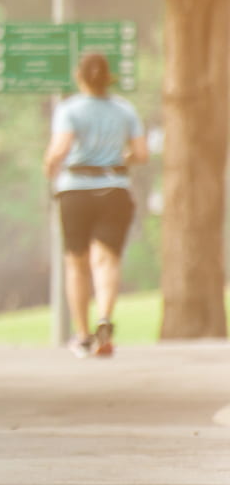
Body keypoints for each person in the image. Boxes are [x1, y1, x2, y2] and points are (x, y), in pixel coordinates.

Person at [44, 52, 146, 359]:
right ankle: (104, 318)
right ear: (108, 78)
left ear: (79, 77)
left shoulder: (69, 109)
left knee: (76, 262)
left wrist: (50, 168)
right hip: (115, 189)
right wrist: (118, 161)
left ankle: (83, 335)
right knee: (106, 260)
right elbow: (140, 153)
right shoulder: (124, 110)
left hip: (75, 190)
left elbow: (60, 149)